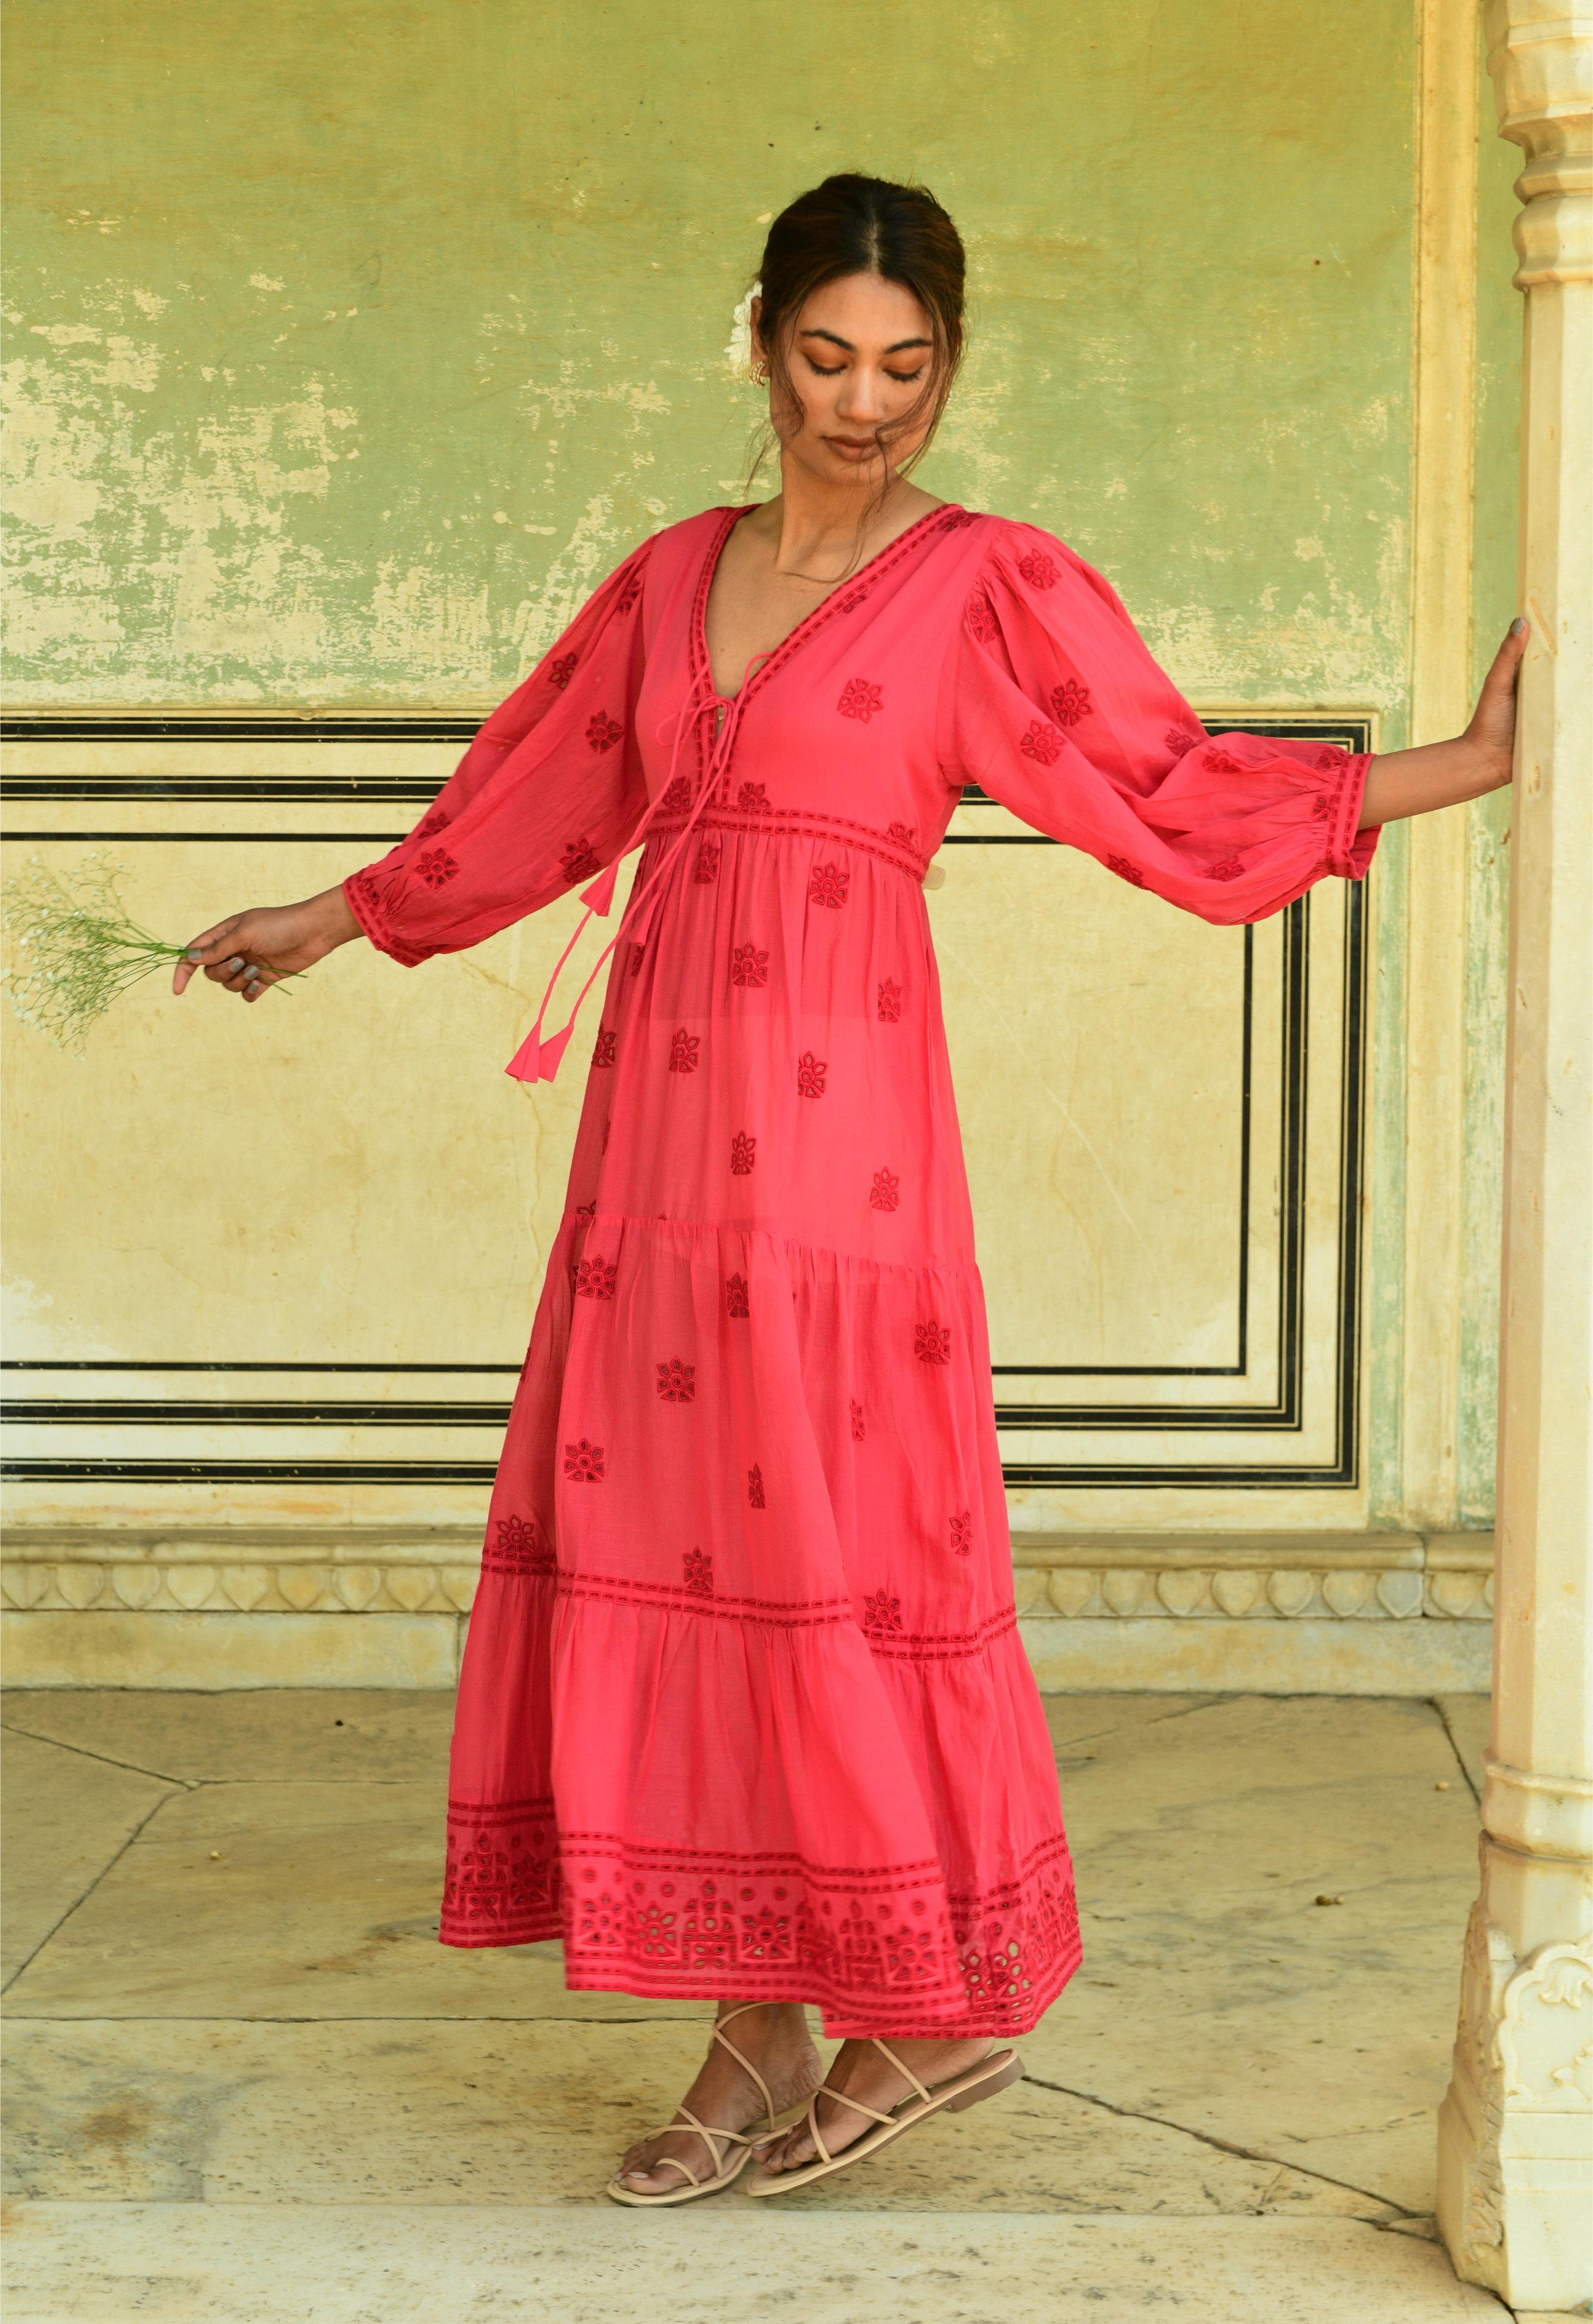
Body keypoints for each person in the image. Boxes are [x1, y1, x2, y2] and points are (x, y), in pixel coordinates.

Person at [175, 173, 1525, 2204]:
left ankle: (932, 2007)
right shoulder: (670, 575)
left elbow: (1159, 792)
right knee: (685, 1518)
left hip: (839, 1131)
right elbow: (543, 793)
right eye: (826, 356)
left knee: (827, 1524)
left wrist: (1466, 766)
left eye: (907, 365)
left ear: (949, 367)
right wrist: (332, 917)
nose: (866, 402)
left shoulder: (984, 583)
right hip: (657, 1136)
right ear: (760, 343)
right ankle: (756, 2028)